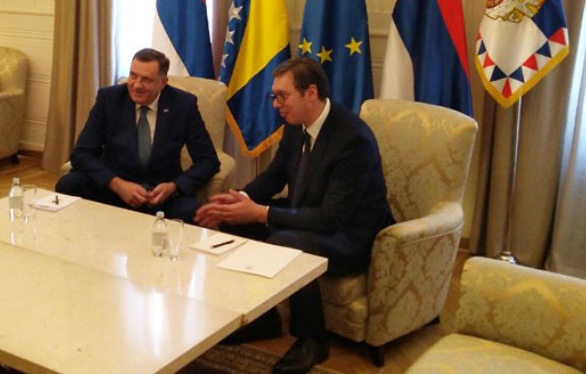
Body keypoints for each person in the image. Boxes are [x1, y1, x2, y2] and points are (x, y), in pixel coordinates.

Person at [195, 58, 393, 373]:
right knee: (235, 222)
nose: (276, 104)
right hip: (311, 213)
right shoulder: (295, 124)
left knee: (287, 243)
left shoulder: (352, 139)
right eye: (274, 97)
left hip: (350, 235)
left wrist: (260, 213)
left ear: (310, 93)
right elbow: (275, 176)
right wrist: (240, 200)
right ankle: (263, 319)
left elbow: (330, 219)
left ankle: (313, 339)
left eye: (282, 96)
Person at [56, 48, 220, 223]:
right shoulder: (109, 99)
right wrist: (116, 184)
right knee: (69, 184)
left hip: (160, 195)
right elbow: (81, 153)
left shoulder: (183, 105)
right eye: (133, 76)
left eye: (146, 80)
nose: (136, 85)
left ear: (163, 82)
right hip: (113, 188)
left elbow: (208, 161)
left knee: (191, 212)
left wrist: (173, 187)